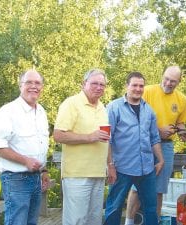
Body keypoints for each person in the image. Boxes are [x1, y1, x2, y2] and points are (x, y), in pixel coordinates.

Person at [124, 65, 186, 225]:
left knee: (159, 189)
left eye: (173, 81)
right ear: (162, 75)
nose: (168, 83)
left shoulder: (181, 99)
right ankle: (129, 222)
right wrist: (157, 131)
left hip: (166, 146)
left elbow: (180, 122)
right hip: (143, 144)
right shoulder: (146, 91)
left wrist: (183, 132)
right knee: (136, 187)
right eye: (166, 79)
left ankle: (154, 221)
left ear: (179, 82)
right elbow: (131, 116)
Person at [0, 69, 50, 225]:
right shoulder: (8, 111)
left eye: (37, 83)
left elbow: (40, 145)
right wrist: (25, 161)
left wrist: (44, 170)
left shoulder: (41, 111)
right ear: (20, 85)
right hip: (16, 179)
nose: (34, 86)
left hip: (36, 178)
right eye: (29, 82)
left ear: (42, 87)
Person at [104, 71, 164, 225]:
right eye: (134, 85)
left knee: (151, 208)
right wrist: (110, 165)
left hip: (147, 169)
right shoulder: (113, 108)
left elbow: (154, 138)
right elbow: (106, 140)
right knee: (114, 207)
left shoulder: (148, 110)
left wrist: (161, 159)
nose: (138, 89)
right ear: (127, 86)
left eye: (141, 86)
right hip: (122, 168)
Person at [53, 69, 110, 225]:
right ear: (84, 84)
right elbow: (58, 135)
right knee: (76, 221)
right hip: (77, 175)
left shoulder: (102, 107)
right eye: (94, 84)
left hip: (98, 173)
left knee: (94, 221)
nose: (99, 87)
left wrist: (110, 165)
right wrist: (89, 137)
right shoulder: (71, 103)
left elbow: (106, 141)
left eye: (102, 85)